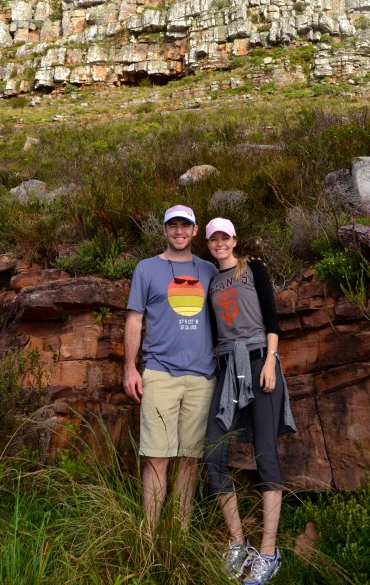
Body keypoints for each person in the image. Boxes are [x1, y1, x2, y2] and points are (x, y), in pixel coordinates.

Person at [203, 217, 296, 585]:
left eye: (225, 237)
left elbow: (272, 318)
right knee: (213, 450)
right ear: (208, 244)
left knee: (265, 453)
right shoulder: (211, 282)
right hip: (227, 368)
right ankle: (238, 542)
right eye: (214, 239)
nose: (220, 243)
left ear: (234, 239)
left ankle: (269, 552)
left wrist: (271, 360)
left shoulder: (252, 268)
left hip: (259, 361)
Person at [123, 204, 218, 532]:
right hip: (159, 374)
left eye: (185, 225)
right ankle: (148, 538)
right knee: (157, 459)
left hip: (201, 377)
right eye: (172, 225)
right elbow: (134, 319)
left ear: (195, 231)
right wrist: (130, 369)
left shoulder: (209, 270)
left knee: (190, 463)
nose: (179, 231)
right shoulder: (146, 269)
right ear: (164, 230)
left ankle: (179, 538)